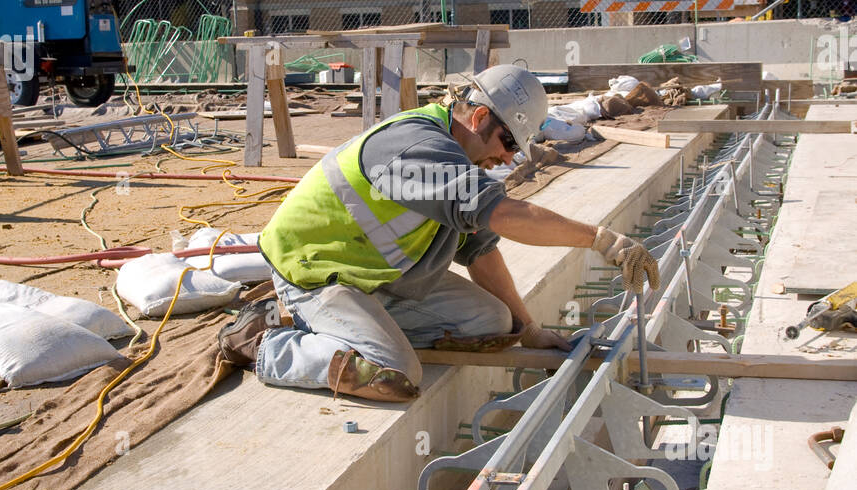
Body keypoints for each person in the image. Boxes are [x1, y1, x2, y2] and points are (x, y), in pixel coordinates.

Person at [218, 65, 660, 402]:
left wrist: (527, 329)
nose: (508, 159)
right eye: (508, 143)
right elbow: (508, 215)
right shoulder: (417, 149)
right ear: (480, 116)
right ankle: (264, 340)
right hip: (316, 274)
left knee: (494, 323)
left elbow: (482, 251)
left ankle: (353, 329)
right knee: (394, 375)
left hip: (374, 279)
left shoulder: (457, 159)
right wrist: (604, 241)